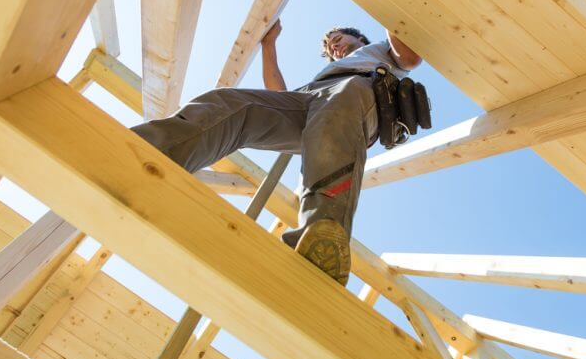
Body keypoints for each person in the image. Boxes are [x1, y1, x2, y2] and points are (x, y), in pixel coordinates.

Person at [132, 20, 421, 285]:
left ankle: (322, 235)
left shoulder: (379, 50)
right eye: (330, 46)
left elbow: (409, 57)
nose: (334, 45)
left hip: (360, 96)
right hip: (312, 101)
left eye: (338, 37)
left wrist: (389, 12)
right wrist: (268, 45)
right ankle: (154, 150)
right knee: (231, 104)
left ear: (358, 37)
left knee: (336, 113)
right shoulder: (327, 72)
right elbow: (278, 94)